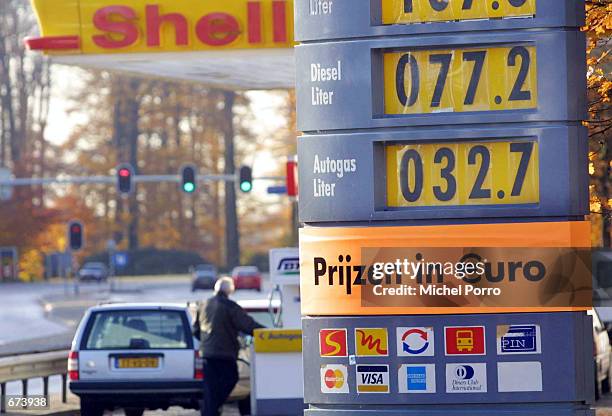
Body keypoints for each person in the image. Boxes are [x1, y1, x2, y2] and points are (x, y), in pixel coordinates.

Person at [193, 276, 264, 416]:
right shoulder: (230, 306)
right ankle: (211, 409)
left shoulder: (203, 304)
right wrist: (267, 333)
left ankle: (210, 410)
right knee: (230, 378)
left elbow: (195, 330)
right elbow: (248, 325)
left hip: (207, 354)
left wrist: (205, 343)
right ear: (230, 290)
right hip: (225, 354)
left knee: (211, 388)